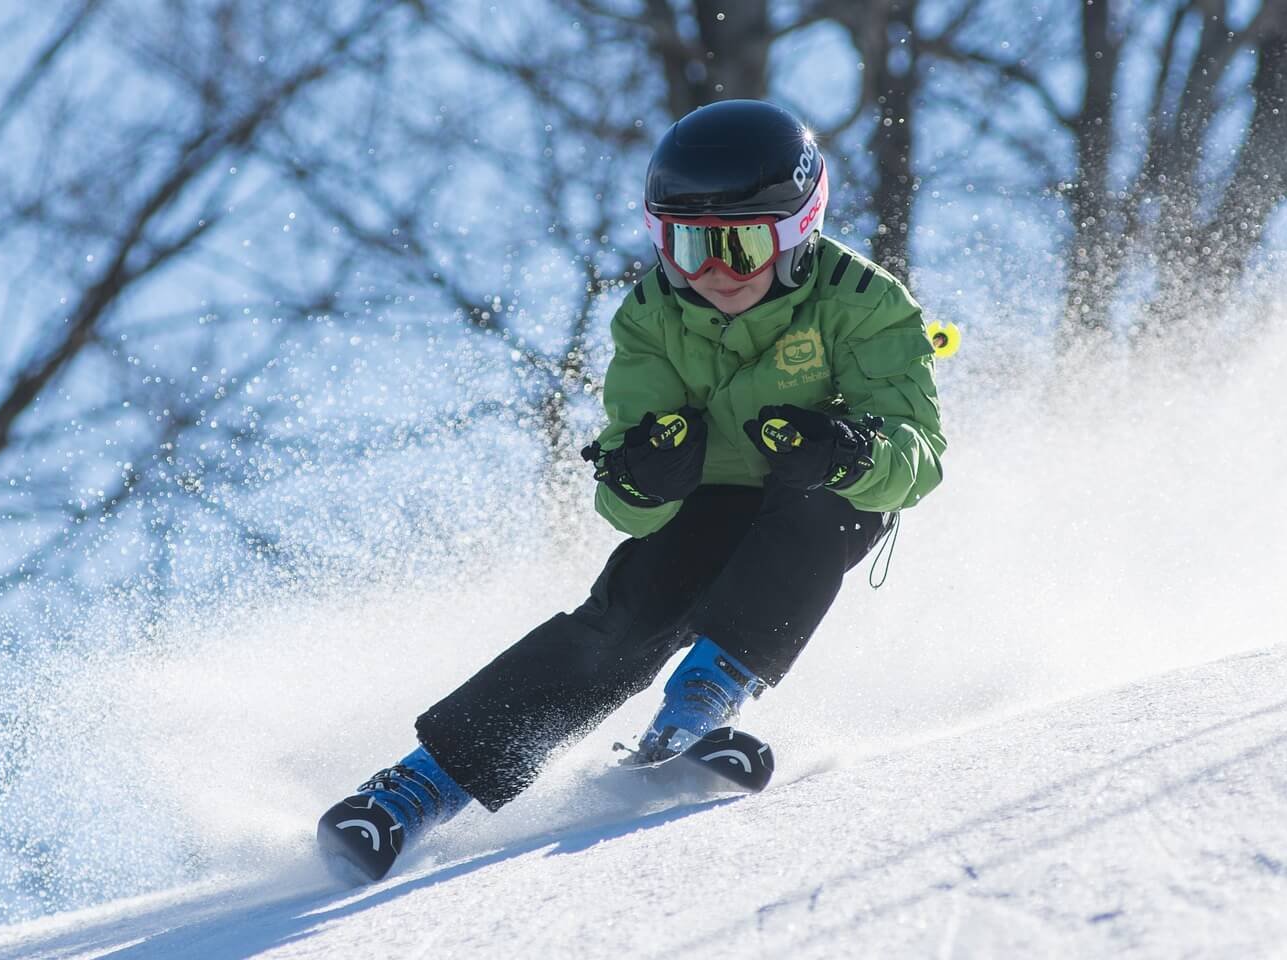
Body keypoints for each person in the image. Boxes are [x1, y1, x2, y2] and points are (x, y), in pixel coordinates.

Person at [316, 99, 947, 881]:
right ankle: (416, 790)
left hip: (813, 495)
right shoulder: (651, 314)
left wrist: (849, 452)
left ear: (796, 234)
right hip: (706, 503)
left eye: (741, 246)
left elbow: (918, 459)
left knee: (837, 507)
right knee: (629, 614)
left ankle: (695, 711)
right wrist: (644, 476)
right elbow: (622, 501)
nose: (712, 273)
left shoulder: (866, 301)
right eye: (686, 246)